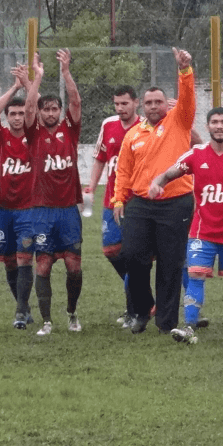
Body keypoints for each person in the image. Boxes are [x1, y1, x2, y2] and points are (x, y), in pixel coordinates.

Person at [149, 107, 223, 344]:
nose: (219, 126)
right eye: (214, 122)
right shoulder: (196, 154)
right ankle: (189, 327)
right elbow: (169, 173)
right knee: (195, 274)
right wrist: (157, 182)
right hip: (202, 230)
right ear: (208, 126)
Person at [113, 48, 195, 334]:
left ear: (166, 105)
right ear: (141, 106)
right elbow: (123, 171)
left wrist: (184, 71)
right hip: (140, 202)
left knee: (171, 263)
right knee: (132, 256)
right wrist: (118, 199)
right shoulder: (132, 135)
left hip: (176, 202)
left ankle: (166, 321)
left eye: (158, 101)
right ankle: (141, 309)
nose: (153, 106)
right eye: (148, 102)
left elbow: (187, 100)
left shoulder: (178, 122)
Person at [19, 50, 84, 335]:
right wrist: (39, 77)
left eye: (54, 108)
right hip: (42, 210)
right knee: (43, 265)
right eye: (46, 109)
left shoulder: (70, 130)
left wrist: (66, 72)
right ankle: (46, 321)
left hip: (68, 208)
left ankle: (72, 313)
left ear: (59, 111)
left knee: (73, 265)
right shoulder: (33, 133)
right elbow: (29, 107)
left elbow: (76, 101)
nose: (49, 112)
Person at [83, 86, 141, 327]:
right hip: (111, 200)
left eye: (124, 104)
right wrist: (91, 187)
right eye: (116, 104)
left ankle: (134, 310)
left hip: (136, 201)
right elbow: (100, 158)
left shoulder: (145, 127)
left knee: (133, 255)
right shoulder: (108, 125)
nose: (120, 109)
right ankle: (142, 299)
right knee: (111, 250)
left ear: (135, 103)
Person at [0, 68, 34, 323]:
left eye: (20, 114)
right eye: (13, 114)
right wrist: (15, 88)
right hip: (3, 208)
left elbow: (35, 109)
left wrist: (28, 85)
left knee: (25, 259)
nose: (17, 118)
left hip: (28, 209)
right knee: (9, 263)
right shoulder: (1, 136)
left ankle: (20, 311)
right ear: (8, 117)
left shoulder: (33, 135)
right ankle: (24, 308)